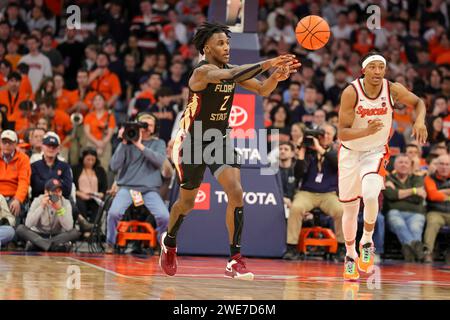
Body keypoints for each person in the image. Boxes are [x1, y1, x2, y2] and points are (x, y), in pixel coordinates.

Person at [159, 22, 300, 279]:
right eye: (221, 43)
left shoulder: (232, 70)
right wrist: (268, 63)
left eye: (228, 43)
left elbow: (263, 90)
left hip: (219, 138)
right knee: (187, 202)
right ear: (206, 48)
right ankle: (169, 241)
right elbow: (228, 77)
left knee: (236, 191)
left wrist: (275, 78)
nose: (226, 48)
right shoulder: (201, 73)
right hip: (193, 140)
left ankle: (234, 259)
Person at [338, 52, 427, 281]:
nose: (378, 72)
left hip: (375, 151)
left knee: (370, 194)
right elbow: (342, 132)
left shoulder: (392, 89)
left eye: (381, 67)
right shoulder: (351, 92)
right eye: (373, 67)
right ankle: (350, 255)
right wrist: (365, 131)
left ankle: (367, 240)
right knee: (349, 209)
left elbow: (418, 102)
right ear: (364, 70)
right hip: (349, 152)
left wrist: (419, 120)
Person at [107, 112, 169, 253]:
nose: (147, 127)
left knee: (164, 216)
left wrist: (140, 145)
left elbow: (160, 161)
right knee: (114, 213)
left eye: (150, 125)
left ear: (154, 128)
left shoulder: (159, 143)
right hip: (128, 187)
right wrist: (123, 143)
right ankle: (110, 242)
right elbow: (114, 166)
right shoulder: (127, 143)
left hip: (149, 189)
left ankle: (160, 242)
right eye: (144, 124)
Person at [284, 124, 345, 260]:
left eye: (329, 134)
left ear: (334, 138)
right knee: (296, 208)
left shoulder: (336, 152)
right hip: (307, 193)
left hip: (328, 194)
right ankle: (291, 247)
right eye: (323, 133)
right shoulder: (308, 152)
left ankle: (341, 247)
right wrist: (301, 153)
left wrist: (320, 149)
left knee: (340, 210)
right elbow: (298, 174)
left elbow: (337, 163)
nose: (325, 136)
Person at [16, 178, 80, 252]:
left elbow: (69, 227)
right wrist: (41, 207)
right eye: (54, 191)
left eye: (59, 191)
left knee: (75, 232)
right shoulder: (38, 200)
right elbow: (28, 224)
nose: (57, 194)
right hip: (38, 234)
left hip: (57, 235)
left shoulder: (66, 203)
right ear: (46, 192)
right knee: (20, 229)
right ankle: (52, 246)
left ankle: (41, 245)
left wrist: (60, 209)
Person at [383, 154, 427, 262]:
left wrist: (399, 194)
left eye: (406, 162)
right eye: (400, 162)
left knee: (415, 228)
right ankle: (417, 250)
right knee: (398, 223)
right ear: (394, 165)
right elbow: (390, 195)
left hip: (416, 213)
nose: (403, 165)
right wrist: (413, 191)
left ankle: (409, 251)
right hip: (395, 212)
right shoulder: (388, 178)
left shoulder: (417, 178)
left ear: (410, 166)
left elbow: (418, 199)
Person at [423, 154, 450, 263]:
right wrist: (446, 194)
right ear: (436, 165)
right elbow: (432, 195)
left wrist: (440, 192)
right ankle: (428, 252)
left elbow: (435, 193)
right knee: (432, 222)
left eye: (447, 164)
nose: (444, 167)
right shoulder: (429, 178)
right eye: (442, 164)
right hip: (435, 211)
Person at [0, 130, 31, 220]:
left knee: (14, 222)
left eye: (10, 142)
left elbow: (24, 181)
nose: (7, 145)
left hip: (13, 197)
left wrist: (18, 199)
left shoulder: (23, 159)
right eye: (4, 142)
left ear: (15, 144)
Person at [72, 147, 107, 222]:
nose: (90, 162)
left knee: (98, 205)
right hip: (80, 196)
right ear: (83, 158)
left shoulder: (100, 170)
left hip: (95, 197)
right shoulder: (75, 169)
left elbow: (104, 186)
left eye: (93, 160)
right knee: (79, 204)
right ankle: (84, 225)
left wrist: (101, 194)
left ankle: (93, 227)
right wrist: (79, 193)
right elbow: (71, 185)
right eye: (88, 159)